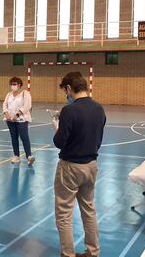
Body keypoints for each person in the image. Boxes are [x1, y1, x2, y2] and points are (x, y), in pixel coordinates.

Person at [51, 72, 106, 257]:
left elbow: (60, 141)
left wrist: (57, 127)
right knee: (88, 209)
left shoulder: (70, 110)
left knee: (64, 212)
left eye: (65, 91)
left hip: (70, 167)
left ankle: (68, 254)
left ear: (68, 88)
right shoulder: (99, 108)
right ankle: (93, 251)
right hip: (91, 165)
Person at [2, 76, 35, 165]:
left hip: (21, 120)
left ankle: (29, 156)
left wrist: (17, 115)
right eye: (11, 84)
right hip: (10, 120)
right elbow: (4, 105)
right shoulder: (9, 95)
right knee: (14, 137)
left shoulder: (25, 93)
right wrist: (6, 114)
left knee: (24, 137)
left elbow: (27, 105)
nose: (12, 86)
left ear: (19, 85)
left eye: (14, 84)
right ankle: (16, 156)